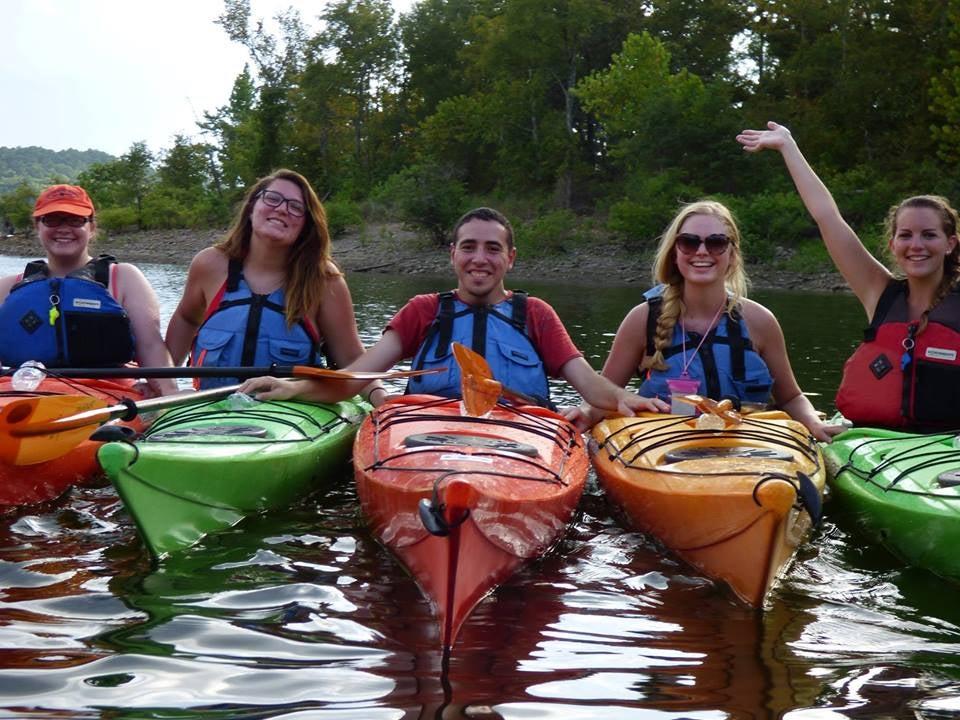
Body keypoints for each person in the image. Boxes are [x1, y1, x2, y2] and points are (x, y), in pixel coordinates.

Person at [239, 206, 665, 419]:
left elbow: (589, 385)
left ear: (510, 259)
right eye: (469, 247)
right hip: (429, 435)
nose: (480, 258)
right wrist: (293, 387)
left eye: (493, 249)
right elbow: (358, 377)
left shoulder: (535, 313)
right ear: (453, 255)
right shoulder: (423, 311)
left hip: (519, 441)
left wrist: (627, 399)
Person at [737, 122, 960, 429]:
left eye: (929, 235)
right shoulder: (880, 294)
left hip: (945, 451)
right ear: (893, 244)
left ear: (950, 243)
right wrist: (788, 146)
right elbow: (827, 217)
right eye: (906, 235)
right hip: (876, 447)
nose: (916, 245)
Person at [567, 200, 839, 441]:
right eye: (689, 241)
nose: (702, 251)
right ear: (675, 252)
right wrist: (585, 413)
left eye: (716, 242)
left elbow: (791, 397)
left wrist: (814, 422)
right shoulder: (643, 319)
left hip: (747, 450)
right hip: (663, 453)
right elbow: (604, 395)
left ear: (732, 254)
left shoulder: (760, 321)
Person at [165, 169, 368, 392]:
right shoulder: (209, 264)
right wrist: (163, 386)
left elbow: (353, 361)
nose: (282, 209)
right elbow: (186, 318)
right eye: (272, 198)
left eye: (296, 207)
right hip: (209, 413)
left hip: (288, 416)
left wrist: (379, 398)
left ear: (306, 226)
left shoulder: (324, 280)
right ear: (252, 207)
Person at [0, 184, 177, 396]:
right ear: (38, 226)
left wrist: (169, 392)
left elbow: (150, 347)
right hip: (24, 396)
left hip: (106, 394)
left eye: (75, 220)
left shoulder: (123, 278)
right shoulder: (9, 287)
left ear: (91, 227)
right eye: (52, 219)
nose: (63, 228)